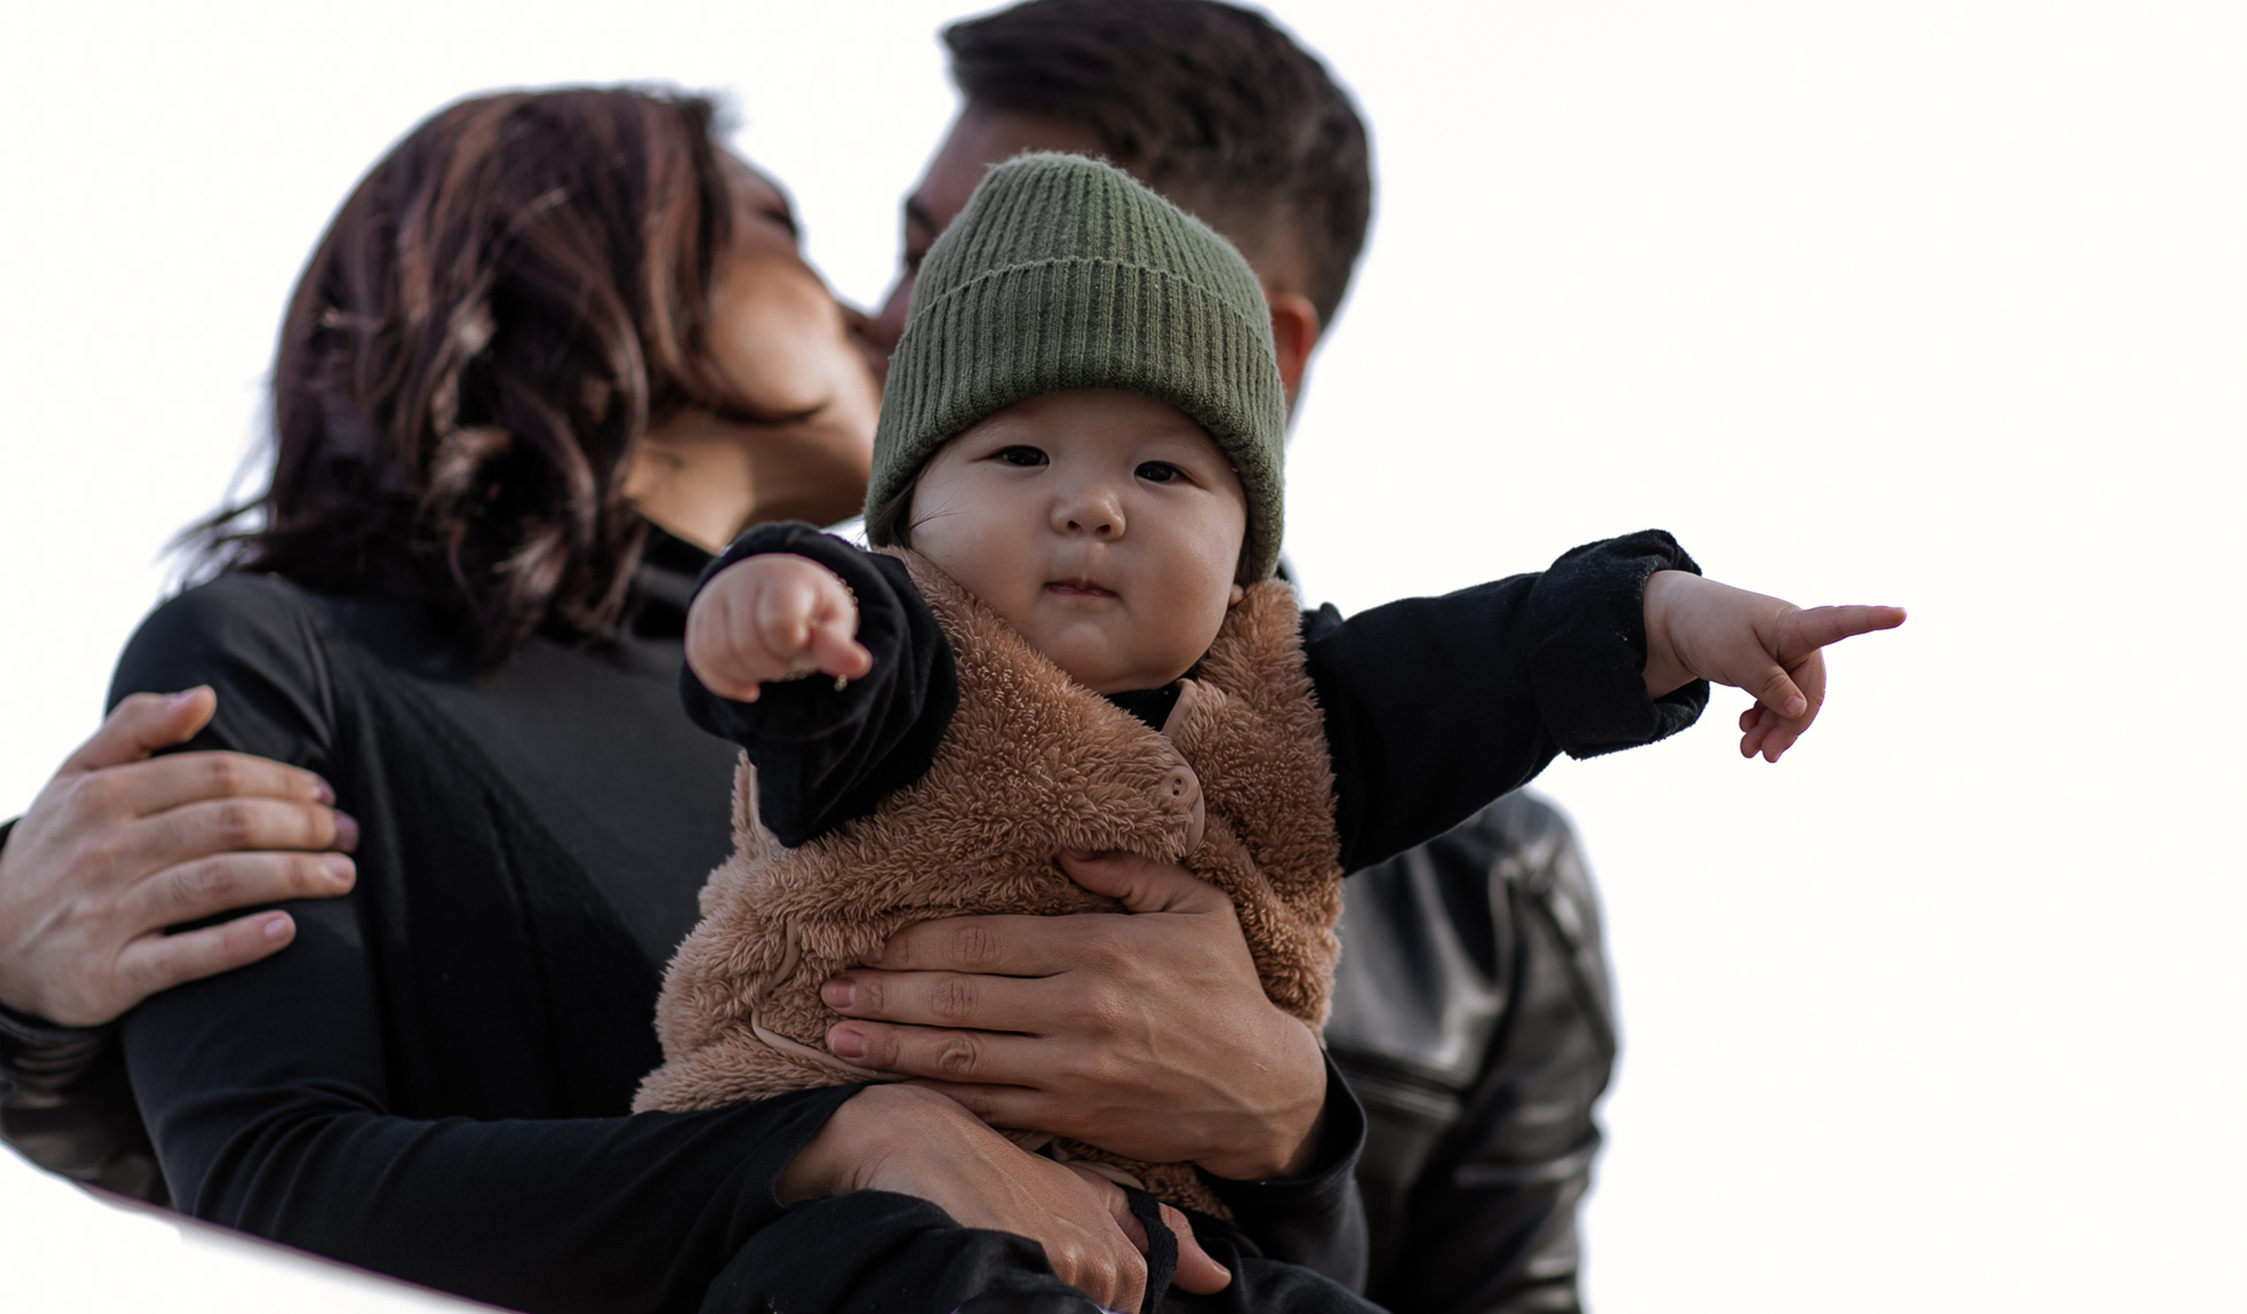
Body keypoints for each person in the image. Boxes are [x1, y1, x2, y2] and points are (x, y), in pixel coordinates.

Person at [0, 3, 1656, 1310]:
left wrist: (1290, 1130)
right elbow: (276, 1168)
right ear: (576, 265)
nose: (899, 308)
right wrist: (27, 1017)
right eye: (878, 237)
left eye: (999, 266)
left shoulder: (1415, 825)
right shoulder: (790, 684)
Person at [641, 152, 1898, 1253]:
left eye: (1162, 468)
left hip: (1185, 1241)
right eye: (1019, 455)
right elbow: (830, 672)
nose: (1093, 505)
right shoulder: (905, 649)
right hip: (873, 1214)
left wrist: (1668, 617)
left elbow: (1491, 661)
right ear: (909, 511)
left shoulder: (1293, 708)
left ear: (1246, 539)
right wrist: (775, 603)